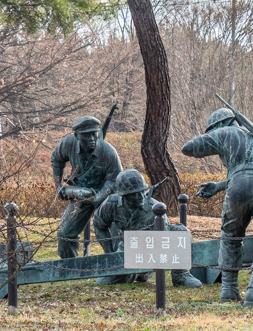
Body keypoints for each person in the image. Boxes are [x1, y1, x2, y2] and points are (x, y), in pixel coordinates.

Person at [181, 108, 253, 307]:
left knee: (230, 237)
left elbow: (188, 148)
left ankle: (229, 289)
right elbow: (250, 169)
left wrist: (213, 137)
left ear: (219, 126)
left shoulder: (226, 132)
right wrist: (218, 186)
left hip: (239, 185)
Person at [93, 169, 202, 287]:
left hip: (149, 253)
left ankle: (180, 275)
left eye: (142, 191)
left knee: (181, 232)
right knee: (102, 282)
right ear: (124, 196)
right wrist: (111, 256)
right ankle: (134, 273)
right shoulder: (111, 204)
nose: (140, 196)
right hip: (127, 250)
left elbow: (166, 240)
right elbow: (99, 225)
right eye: (134, 194)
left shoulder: (155, 208)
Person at [51, 116, 122, 259]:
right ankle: (70, 267)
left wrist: (100, 196)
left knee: (115, 231)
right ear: (76, 136)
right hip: (81, 194)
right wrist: (58, 185)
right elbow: (56, 158)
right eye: (85, 135)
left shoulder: (108, 152)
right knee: (65, 233)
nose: (91, 138)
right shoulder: (68, 143)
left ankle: (116, 265)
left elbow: (115, 181)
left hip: (106, 196)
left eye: (93, 133)